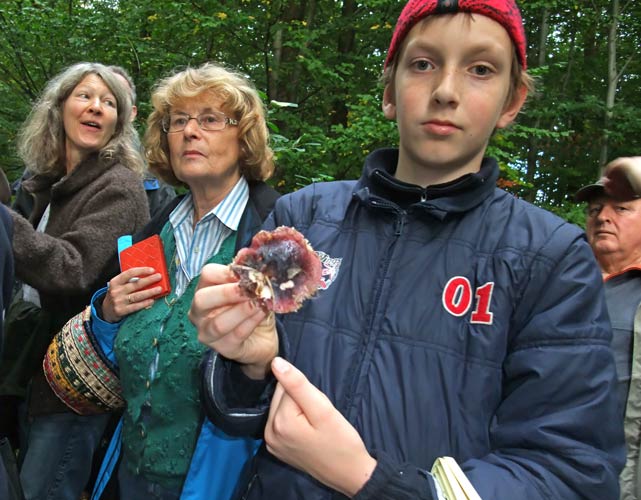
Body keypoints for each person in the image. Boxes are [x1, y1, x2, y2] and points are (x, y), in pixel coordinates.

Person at [189, 1, 626, 499]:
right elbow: (238, 409)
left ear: (512, 102)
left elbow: (572, 473)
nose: (445, 91)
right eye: (423, 64)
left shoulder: (550, 258)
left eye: (481, 69)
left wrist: (374, 481)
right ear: (389, 92)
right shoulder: (304, 217)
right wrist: (248, 363)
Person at [53, 62, 279, 500]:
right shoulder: (153, 230)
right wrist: (107, 312)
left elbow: (298, 365)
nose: (190, 132)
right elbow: (118, 350)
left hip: (224, 481)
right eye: (178, 121)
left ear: (244, 137)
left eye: (210, 119)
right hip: (131, 471)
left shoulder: (273, 234)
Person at [0, 62, 150, 500]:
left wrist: (4, 222)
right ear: (59, 106)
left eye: (108, 102)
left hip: (74, 386)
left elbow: (72, 267)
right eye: (84, 95)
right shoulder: (51, 182)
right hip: (31, 368)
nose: (96, 107)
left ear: (119, 122)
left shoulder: (119, 186)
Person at [575, 156, 641, 500]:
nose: (602, 216)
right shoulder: (559, 281)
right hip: (550, 470)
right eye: (595, 209)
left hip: (624, 477)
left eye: (621, 208)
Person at [107, 65, 177, 217]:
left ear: (132, 113)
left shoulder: (153, 176)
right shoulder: (57, 164)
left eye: (116, 99)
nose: (100, 107)